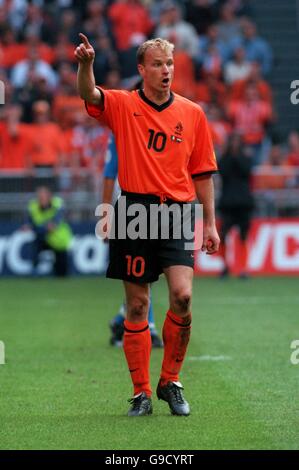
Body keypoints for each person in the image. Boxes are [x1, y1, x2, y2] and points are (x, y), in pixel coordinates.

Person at [76, 33, 219, 416]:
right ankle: (141, 392)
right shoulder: (122, 105)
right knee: (137, 305)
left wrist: (210, 223)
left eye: (169, 64)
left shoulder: (192, 113)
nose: (165, 70)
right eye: (157, 64)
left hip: (175, 212)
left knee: (183, 297)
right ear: (142, 70)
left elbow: (203, 172)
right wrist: (86, 64)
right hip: (134, 212)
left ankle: (170, 381)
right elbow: (89, 95)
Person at [103, 135, 163, 348]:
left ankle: (122, 318)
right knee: (141, 273)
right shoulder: (123, 129)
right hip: (130, 210)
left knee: (147, 272)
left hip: (158, 206)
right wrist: (106, 216)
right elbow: (110, 173)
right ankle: (150, 326)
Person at [217, 134, 254, 279]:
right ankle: (225, 266)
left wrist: (235, 155)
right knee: (223, 235)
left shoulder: (245, 158)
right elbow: (222, 172)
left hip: (243, 203)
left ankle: (243, 268)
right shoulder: (224, 159)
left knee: (243, 236)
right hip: (227, 204)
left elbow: (246, 171)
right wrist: (231, 155)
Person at [26, 186, 72, 276]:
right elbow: (30, 223)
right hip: (43, 237)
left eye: (43, 197)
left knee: (62, 269)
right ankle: (34, 271)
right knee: (34, 246)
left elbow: (56, 222)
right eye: (40, 197)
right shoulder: (33, 206)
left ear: (49, 196)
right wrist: (45, 227)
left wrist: (42, 227)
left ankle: (60, 272)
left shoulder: (58, 203)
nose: (42, 199)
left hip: (58, 239)